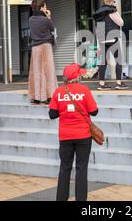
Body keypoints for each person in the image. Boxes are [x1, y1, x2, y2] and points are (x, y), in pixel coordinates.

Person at [48, 63, 99, 201]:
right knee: (81, 169)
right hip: (83, 135)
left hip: (65, 136)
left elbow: (52, 114)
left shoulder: (59, 91)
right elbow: (94, 111)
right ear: (77, 77)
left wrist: (65, 109)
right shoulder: (84, 90)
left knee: (65, 168)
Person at [94, 0, 128, 90]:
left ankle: (101, 84)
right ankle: (118, 83)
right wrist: (116, 12)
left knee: (103, 62)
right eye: (114, 1)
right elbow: (121, 22)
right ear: (111, 1)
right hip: (112, 38)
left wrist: (98, 46)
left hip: (102, 40)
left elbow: (98, 30)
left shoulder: (98, 13)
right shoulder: (112, 11)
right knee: (118, 60)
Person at [28, 0, 58, 105]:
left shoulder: (31, 19)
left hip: (35, 47)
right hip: (46, 45)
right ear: (41, 8)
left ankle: (36, 97)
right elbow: (52, 29)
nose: (46, 8)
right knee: (48, 70)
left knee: (36, 71)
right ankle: (49, 96)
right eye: (45, 6)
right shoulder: (46, 20)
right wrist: (48, 16)